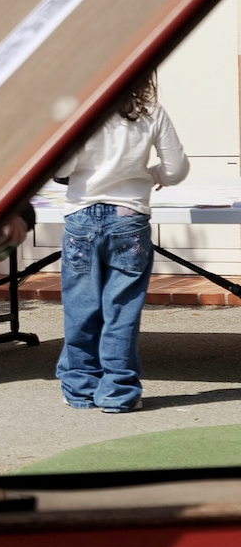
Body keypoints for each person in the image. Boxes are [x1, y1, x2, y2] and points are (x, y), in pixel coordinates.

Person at [53, 76, 186, 414]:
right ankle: (118, 392)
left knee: (80, 307)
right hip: (130, 218)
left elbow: (63, 167)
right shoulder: (150, 110)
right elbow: (176, 169)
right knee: (122, 310)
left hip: (81, 217)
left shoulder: (82, 110)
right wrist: (153, 175)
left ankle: (80, 387)